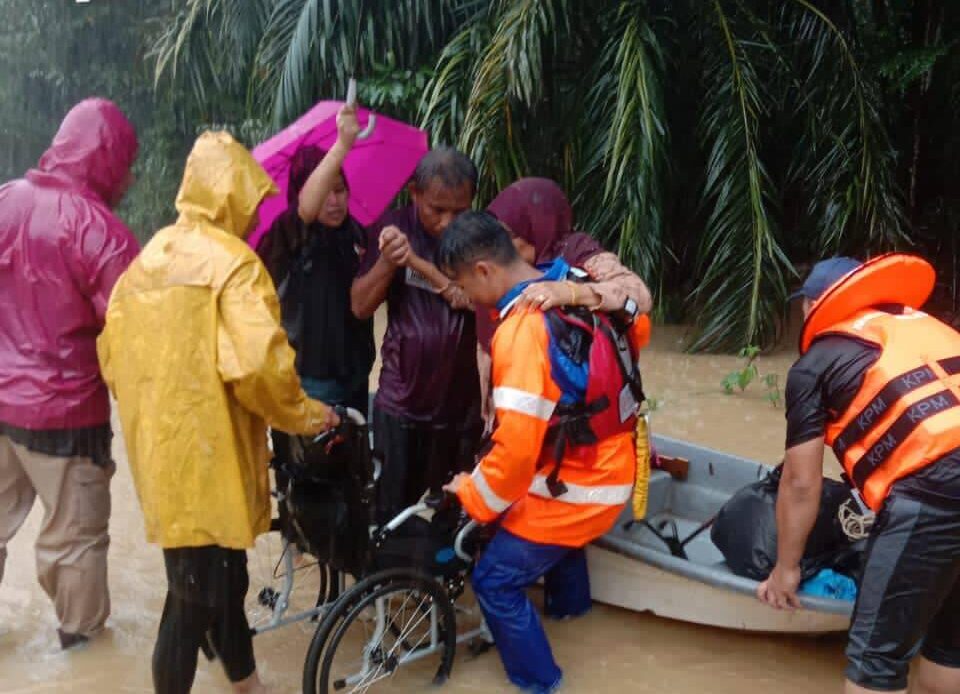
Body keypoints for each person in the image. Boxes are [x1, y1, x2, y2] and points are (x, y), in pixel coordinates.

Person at [98, 131, 339, 694]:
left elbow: (112, 357)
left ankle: (247, 684)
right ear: (231, 196)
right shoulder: (234, 264)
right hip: (210, 459)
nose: (254, 218)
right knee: (188, 603)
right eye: (250, 204)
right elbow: (260, 365)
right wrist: (306, 414)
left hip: (160, 455)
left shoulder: (147, 259)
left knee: (220, 582)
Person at [438, 211, 645, 693]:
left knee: (494, 579)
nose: (467, 298)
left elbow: (513, 456)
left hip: (582, 489)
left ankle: (541, 682)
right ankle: (571, 612)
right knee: (550, 530)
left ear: (485, 270)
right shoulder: (574, 283)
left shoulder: (521, 332)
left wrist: (468, 494)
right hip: (615, 464)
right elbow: (640, 333)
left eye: (464, 285)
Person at [757, 254, 960, 694]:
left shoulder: (813, 366)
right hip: (946, 481)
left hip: (935, 492)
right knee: (950, 650)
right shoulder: (929, 327)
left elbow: (801, 483)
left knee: (875, 663)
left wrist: (786, 569)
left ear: (813, 306)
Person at [0, 98, 138, 650]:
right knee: (74, 545)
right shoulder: (100, 231)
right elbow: (134, 332)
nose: (128, 181)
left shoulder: (6, 199)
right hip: (65, 418)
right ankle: (84, 663)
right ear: (107, 159)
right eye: (127, 165)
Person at [351, 147, 480, 523]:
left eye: (460, 210)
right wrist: (389, 262)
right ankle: (387, 580)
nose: (448, 222)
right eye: (437, 209)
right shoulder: (393, 229)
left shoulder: (482, 237)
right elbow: (360, 307)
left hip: (463, 408)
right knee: (391, 512)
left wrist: (416, 263)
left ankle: (442, 581)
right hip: (402, 403)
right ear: (415, 194)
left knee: (455, 513)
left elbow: (474, 300)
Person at [480, 177, 652, 425]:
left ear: (536, 227)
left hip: (577, 419)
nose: (499, 246)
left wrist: (571, 292)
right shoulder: (493, 266)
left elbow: (638, 295)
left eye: (509, 235)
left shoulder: (576, 251)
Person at [256, 103, 374, 414]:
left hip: (356, 375)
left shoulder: (358, 234)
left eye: (340, 190)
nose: (334, 202)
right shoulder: (288, 235)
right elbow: (305, 212)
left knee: (354, 461)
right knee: (309, 462)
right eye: (324, 192)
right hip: (307, 380)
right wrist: (342, 145)